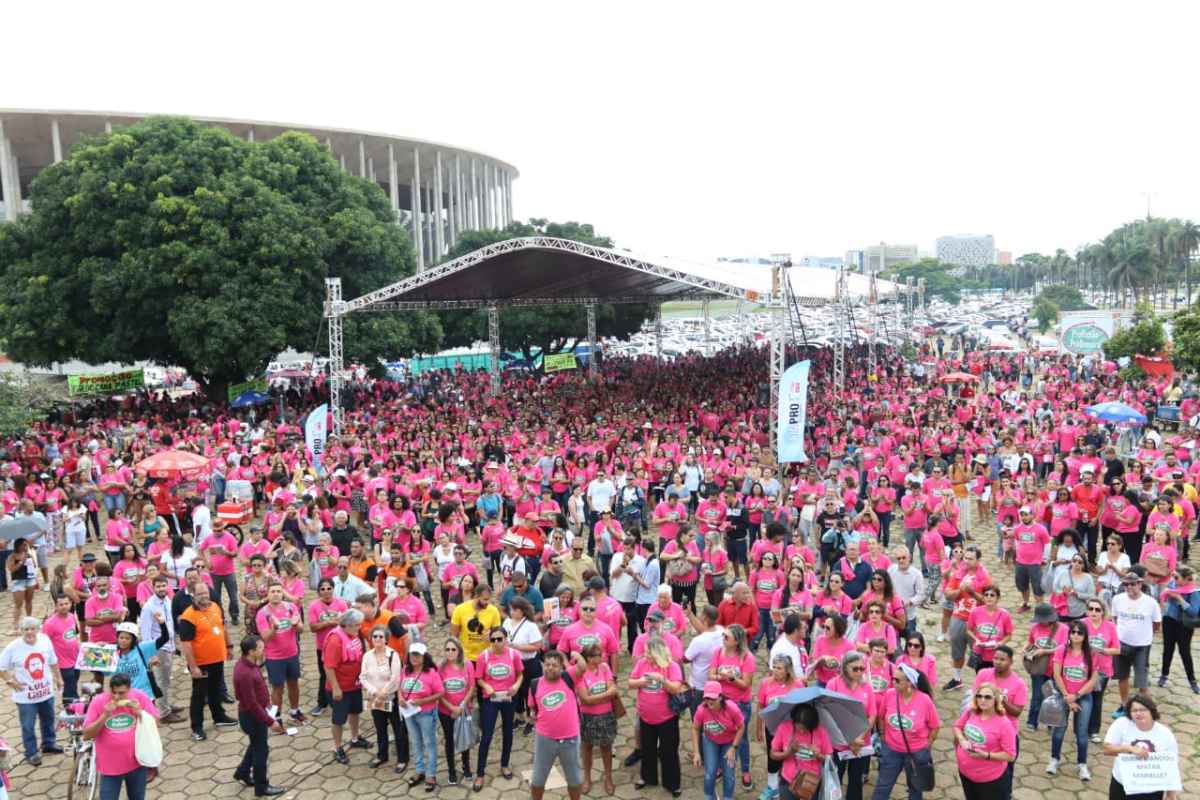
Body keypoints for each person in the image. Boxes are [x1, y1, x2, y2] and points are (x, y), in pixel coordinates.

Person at [81, 673, 158, 800]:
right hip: (110, 768)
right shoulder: (99, 701)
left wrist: (140, 712)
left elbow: (156, 723)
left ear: (129, 689)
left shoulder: (139, 697)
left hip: (137, 763)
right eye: (114, 692)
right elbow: (87, 734)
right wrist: (105, 715)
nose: (117, 697)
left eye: (121, 693)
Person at [869, 664, 940, 800]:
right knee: (883, 785)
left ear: (909, 683)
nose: (893, 682)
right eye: (893, 679)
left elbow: (935, 726)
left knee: (915, 787)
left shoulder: (925, 700)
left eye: (897, 680)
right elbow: (882, 716)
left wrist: (927, 744)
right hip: (891, 750)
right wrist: (883, 736)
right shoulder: (889, 694)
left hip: (916, 753)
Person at [177, 583, 238, 741]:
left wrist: (229, 646)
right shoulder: (188, 616)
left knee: (215, 690)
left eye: (206, 593)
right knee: (199, 695)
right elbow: (186, 644)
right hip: (201, 663)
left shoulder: (215, 607)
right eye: (200, 594)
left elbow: (222, 627)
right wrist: (193, 667)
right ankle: (197, 727)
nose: (204, 596)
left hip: (217, 658)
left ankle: (219, 716)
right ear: (193, 595)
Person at [0, 616, 62, 766]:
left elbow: (53, 661)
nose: (29, 632)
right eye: (25, 629)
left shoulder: (45, 640)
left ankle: (49, 744)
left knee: (48, 719)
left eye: (32, 629)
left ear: (38, 629)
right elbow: (1, 667)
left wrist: (58, 678)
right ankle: (31, 752)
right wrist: (10, 681)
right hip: (25, 697)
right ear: (21, 631)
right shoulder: (14, 647)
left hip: (46, 691)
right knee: (28, 725)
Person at [628, 636, 685, 796]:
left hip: (667, 718)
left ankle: (672, 784)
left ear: (657, 653)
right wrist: (641, 682)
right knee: (647, 749)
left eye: (648, 652)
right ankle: (648, 778)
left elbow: (675, 688)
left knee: (669, 752)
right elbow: (630, 682)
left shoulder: (671, 666)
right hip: (646, 717)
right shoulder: (642, 663)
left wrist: (662, 680)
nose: (644, 655)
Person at [233, 635, 286, 797]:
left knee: (256, 744)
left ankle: (242, 772)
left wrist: (267, 704)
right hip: (253, 717)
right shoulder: (244, 673)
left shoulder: (247, 664)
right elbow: (251, 703)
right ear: (251, 651)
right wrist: (270, 721)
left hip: (257, 713)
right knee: (261, 750)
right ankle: (261, 787)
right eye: (261, 648)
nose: (264, 650)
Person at [1102, 694, 1183, 800]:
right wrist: (1129, 749)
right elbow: (1107, 749)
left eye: (1142, 710)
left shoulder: (1165, 734)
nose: (1138, 713)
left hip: (1152, 789)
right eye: (1134, 711)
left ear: (1151, 711)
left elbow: (1171, 766)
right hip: (1122, 785)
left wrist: (1170, 794)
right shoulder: (1121, 724)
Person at [1047, 620, 1099, 780]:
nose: (1075, 635)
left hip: (1083, 696)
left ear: (1085, 636)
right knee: (1059, 729)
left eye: (1079, 632)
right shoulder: (1061, 650)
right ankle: (1054, 759)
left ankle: (1082, 764)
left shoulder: (1092, 654)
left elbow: (1093, 681)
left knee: (1082, 732)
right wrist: (1067, 697)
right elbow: (1057, 675)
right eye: (1073, 632)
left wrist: (1075, 696)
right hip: (1063, 694)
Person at [530, 650, 584, 800]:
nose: (550, 668)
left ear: (562, 667)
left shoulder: (569, 678)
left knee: (574, 779)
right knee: (537, 780)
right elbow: (533, 708)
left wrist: (576, 655)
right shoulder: (534, 684)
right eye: (547, 664)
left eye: (555, 665)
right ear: (543, 665)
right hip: (545, 739)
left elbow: (582, 667)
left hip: (570, 738)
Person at [474, 625, 523, 789]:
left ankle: (504, 764)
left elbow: (520, 673)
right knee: (487, 736)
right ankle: (480, 773)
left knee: (508, 732)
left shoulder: (513, 654)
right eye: (493, 639)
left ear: (505, 639)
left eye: (499, 639)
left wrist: (516, 686)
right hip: (491, 699)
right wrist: (486, 686)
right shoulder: (483, 656)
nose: (496, 642)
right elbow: (479, 678)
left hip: (508, 698)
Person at [953, 681, 1017, 800]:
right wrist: (961, 740)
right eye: (979, 696)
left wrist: (986, 755)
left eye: (987, 697)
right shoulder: (971, 712)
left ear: (996, 700)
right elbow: (957, 726)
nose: (982, 700)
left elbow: (1010, 755)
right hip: (965, 773)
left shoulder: (1004, 724)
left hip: (989, 780)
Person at [711, 623, 756, 789]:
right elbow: (711, 675)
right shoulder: (718, 652)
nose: (723, 638)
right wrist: (721, 677)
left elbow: (746, 684)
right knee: (722, 735)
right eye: (723, 635)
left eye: (726, 637)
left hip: (740, 704)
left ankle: (745, 770)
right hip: (721, 703)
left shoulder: (747, 658)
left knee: (741, 738)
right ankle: (723, 767)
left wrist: (731, 679)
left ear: (736, 641)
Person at [825, 652, 875, 800]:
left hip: (860, 744)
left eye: (862, 668)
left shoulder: (867, 687)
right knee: (835, 780)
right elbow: (827, 715)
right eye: (855, 669)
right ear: (845, 667)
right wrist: (848, 740)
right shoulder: (833, 685)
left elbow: (872, 715)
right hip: (838, 744)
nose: (860, 672)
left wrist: (858, 738)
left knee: (856, 782)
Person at [324, 608, 370, 764]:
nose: (360, 627)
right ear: (348, 625)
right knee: (339, 719)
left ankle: (355, 738)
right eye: (357, 625)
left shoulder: (354, 634)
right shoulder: (335, 640)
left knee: (355, 712)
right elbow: (329, 666)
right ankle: (337, 747)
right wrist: (336, 688)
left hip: (354, 685)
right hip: (341, 688)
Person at [255, 582, 305, 724]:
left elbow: (301, 629)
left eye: (278, 591)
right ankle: (276, 716)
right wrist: (273, 628)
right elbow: (265, 638)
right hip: (274, 657)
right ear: (267, 594)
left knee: (294, 683)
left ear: (282, 593)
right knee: (278, 688)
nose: (276, 594)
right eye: (272, 591)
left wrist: (296, 625)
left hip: (292, 653)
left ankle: (295, 711)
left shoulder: (291, 607)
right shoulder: (262, 613)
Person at [360, 622, 406, 771]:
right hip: (375, 700)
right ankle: (382, 755)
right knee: (380, 729)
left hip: (391, 699)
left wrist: (383, 692)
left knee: (398, 729)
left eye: (381, 636)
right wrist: (375, 692)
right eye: (375, 636)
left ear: (386, 639)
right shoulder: (367, 656)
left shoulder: (393, 655)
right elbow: (363, 677)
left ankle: (402, 759)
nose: (378, 639)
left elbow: (395, 678)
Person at [399, 642, 444, 792]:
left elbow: (440, 693)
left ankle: (431, 774)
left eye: (418, 654)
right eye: (412, 654)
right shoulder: (405, 670)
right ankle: (419, 770)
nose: (414, 657)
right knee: (416, 742)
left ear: (424, 656)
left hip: (426, 713)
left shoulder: (431, 673)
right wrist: (400, 698)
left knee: (429, 743)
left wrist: (422, 701)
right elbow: (399, 687)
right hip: (409, 713)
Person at [1112, 573, 1161, 711]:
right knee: (1122, 677)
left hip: (1142, 646)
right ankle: (1124, 704)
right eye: (1126, 584)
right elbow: (1115, 618)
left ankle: (1149, 710)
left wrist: (1144, 634)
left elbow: (1156, 624)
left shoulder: (1151, 603)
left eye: (1132, 584)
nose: (1129, 587)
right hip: (1121, 644)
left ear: (1140, 584)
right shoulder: (1117, 599)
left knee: (1142, 682)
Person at [136, 574, 181, 721]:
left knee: (166, 679)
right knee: (162, 680)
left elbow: (170, 624)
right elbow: (145, 632)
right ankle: (163, 712)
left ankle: (165, 703)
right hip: (159, 648)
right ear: (153, 588)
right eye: (158, 586)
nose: (162, 588)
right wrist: (151, 654)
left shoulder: (167, 600)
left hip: (169, 646)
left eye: (164, 585)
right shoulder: (149, 607)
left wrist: (174, 644)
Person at [691, 679, 745, 800]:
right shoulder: (701, 710)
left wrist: (733, 748)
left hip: (730, 742)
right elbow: (695, 729)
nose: (709, 701)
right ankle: (709, 796)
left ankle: (727, 797)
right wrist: (696, 753)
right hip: (710, 741)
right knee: (710, 774)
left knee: (729, 774)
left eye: (712, 698)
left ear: (720, 697)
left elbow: (741, 728)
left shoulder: (732, 708)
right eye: (706, 698)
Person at [769, 701, 830, 800]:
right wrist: (788, 752)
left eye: (805, 729)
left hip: (811, 782)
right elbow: (772, 754)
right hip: (787, 780)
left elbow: (829, 759)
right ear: (794, 720)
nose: (801, 731)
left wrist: (818, 755)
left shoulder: (821, 731)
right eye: (799, 727)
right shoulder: (784, 728)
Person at [306, 578, 349, 717]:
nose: (326, 591)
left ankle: (344, 701)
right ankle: (322, 703)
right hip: (322, 647)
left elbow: (347, 623)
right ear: (318, 591)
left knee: (342, 673)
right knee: (324, 675)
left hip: (340, 645)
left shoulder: (341, 604)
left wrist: (337, 623)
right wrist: (329, 622)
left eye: (329, 588)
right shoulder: (314, 606)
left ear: (333, 589)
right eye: (323, 589)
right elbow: (313, 627)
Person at [503, 596, 543, 732]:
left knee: (529, 692)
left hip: (529, 663)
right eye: (511, 609)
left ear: (522, 611)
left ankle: (531, 720)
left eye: (514, 610)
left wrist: (516, 646)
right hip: (512, 663)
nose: (511, 612)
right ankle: (519, 717)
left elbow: (537, 646)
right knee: (516, 692)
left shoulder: (530, 626)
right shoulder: (507, 622)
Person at [438, 638, 474, 785]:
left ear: (459, 650)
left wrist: (461, 706)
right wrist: (451, 708)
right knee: (449, 740)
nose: (450, 652)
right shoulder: (440, 667)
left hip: (464, 710)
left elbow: (471, 687)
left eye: (453, 649)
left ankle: (466, 766)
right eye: (447, 649)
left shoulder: (467, 665)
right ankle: (451, 769)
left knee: (464, 738)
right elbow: (439, 692)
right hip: (445, 711)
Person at [1158, 564, 1199, 693]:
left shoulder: (1194, 592)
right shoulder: (1172, 585)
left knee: (1184, 652)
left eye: (1177, 577)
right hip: (1169, 621)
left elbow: (1193, 611)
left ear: (1186, 579)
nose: (1173, 579)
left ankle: (1192, 681)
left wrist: (1179, 598)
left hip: (1184, 625)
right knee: (1168, 649)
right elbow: (1164, 598)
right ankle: (1164, 675)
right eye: (1173, 576)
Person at [449, 582, 502, 663]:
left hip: (486, 656)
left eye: (489, 599)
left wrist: (492, 638)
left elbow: (498, 635)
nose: (488, 602)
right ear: (476, 597)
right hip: (466, 657)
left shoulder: (494, 611)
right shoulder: (460, 609)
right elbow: (454, 636)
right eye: (485, 599)